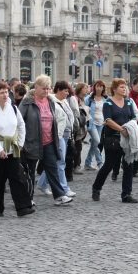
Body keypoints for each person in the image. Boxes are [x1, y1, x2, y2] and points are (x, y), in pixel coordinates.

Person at [19, 75, 73, 206]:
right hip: (31, 142)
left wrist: (57, 135)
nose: (46, 91)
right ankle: (28, 197)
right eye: (44, 88)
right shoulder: (27, 102)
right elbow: (19, 121)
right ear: (36, 87)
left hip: (49, 141)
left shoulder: (51, 101)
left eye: (48, 89)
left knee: (52, 168)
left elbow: (58, 119)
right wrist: (21, 142)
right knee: (30, 171)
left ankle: (59, 196)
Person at [0, 82, 34, 217]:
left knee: (17, 178)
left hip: (12, 149)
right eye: (1, 93)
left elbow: (21, 126)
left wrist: (20, 143)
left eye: (6, 92)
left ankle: (23, 207)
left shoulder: (14, 108)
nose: (5, 95)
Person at [92, 78, 138, 203]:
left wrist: (131, 127)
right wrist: (121, 129)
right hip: (112, 138)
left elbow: (133, 116)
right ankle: (96, 188)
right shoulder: (108, 103)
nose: (124, 89)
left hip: (127, 138)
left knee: (128, 165)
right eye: (121, 87)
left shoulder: (128, 102)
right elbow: (107, 120)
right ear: (114, 89)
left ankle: (126, 194)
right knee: (109, 165)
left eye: (125, 87)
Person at [37, 81, 76, 198]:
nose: (67, 93)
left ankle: (42, 183)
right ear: (58, 90)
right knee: (60, 162)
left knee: (53, 163)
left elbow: (70, 116)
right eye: (65, 90)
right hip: (58, 136)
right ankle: (64, 188)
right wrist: (57, 136)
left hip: (66, 134)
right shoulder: (52, 101)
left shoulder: (64, 101)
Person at [84, 80, 107, 170]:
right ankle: (100, 163)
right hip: (92, 123)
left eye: (101, 86)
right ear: (94, 87)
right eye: (97, 86)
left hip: (101, 123)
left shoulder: (105, 99)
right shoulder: (89, 99)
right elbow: (84, 110)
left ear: (103, 88)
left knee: (94, 144)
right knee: (97, 141)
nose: (99, 88)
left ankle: (87, 163)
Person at [71, 83, 90, 178]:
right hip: (76, 126)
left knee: (79, 146)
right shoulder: (75, 98)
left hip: (81, 126)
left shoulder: (83, 99)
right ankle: (76, 165)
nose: (87, 89)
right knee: (77, 146)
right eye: (85, 88)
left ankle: (76, 165)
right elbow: (76, 112)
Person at [129, 76, 138, 177]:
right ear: (132, 85)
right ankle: (129, 166)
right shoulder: (128, 96)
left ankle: (136, 168)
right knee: (130, 147)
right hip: (131, 124)